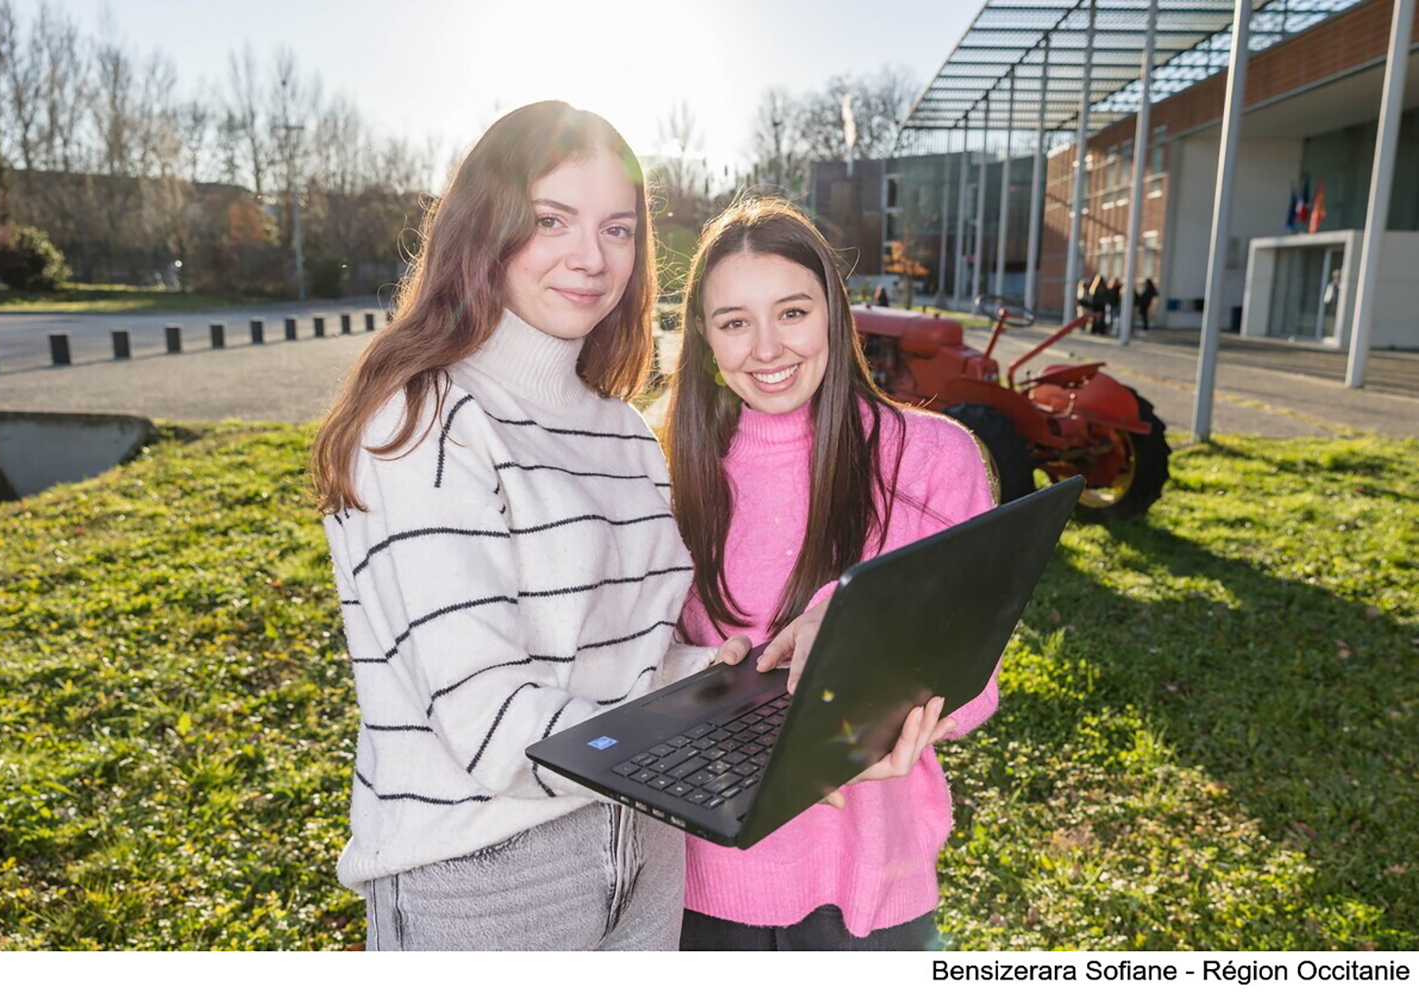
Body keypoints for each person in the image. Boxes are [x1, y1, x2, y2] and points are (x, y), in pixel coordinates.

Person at [309, 101, 748, 951]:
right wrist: (701, 739)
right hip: (486, 873)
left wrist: (729, 678)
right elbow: (492, 728)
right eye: (552, 220)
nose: (592, 257)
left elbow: (637, 661)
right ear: (488, 228)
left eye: (618, 229)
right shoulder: (424, 421)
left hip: (646, 847)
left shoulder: (622, 432)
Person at [663, 198, 1001, 951]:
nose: (765, 347)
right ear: (704, 336)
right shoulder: (665, 470)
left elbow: (980, 676)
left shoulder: (932, 458)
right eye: (733, 321)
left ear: (833, 313)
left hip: (876, 887)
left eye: (791, 311)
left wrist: (881, 675)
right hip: (702, 885)